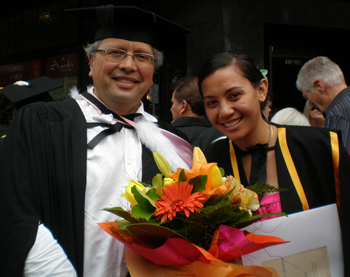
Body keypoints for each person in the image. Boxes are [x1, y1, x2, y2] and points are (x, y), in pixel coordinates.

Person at [0, 5, 192, 277]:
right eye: (115, 52)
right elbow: (15, 212)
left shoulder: (172, 144)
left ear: (153, 70)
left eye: (142, 56)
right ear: (91, 63)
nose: (128, 64)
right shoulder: (43, 123)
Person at [197, 52, 350, 275]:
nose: (225, 111)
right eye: (212, 102)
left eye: (234, 95)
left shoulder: (320, 148)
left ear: (261, 90)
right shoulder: (207, 163)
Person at [296, 56, 350, 153]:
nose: (310, 106)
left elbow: (341, 165)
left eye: (308, 97)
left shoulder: (337, 114)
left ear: (319, 86)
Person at [170, 76, 212, 144]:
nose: (171, 109)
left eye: (173, 103)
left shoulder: (168, 136)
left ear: (183, 106)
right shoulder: (218, 135)